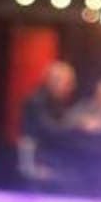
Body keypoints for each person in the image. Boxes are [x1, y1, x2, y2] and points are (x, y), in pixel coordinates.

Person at [17, 61, 81, 192]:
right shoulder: (37, 100)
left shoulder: (56, 100)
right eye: (67, 83)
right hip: (38, 159)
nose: (71, 87)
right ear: (53, 81)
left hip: (49, 157)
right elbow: (48, 130)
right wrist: (77, 125)